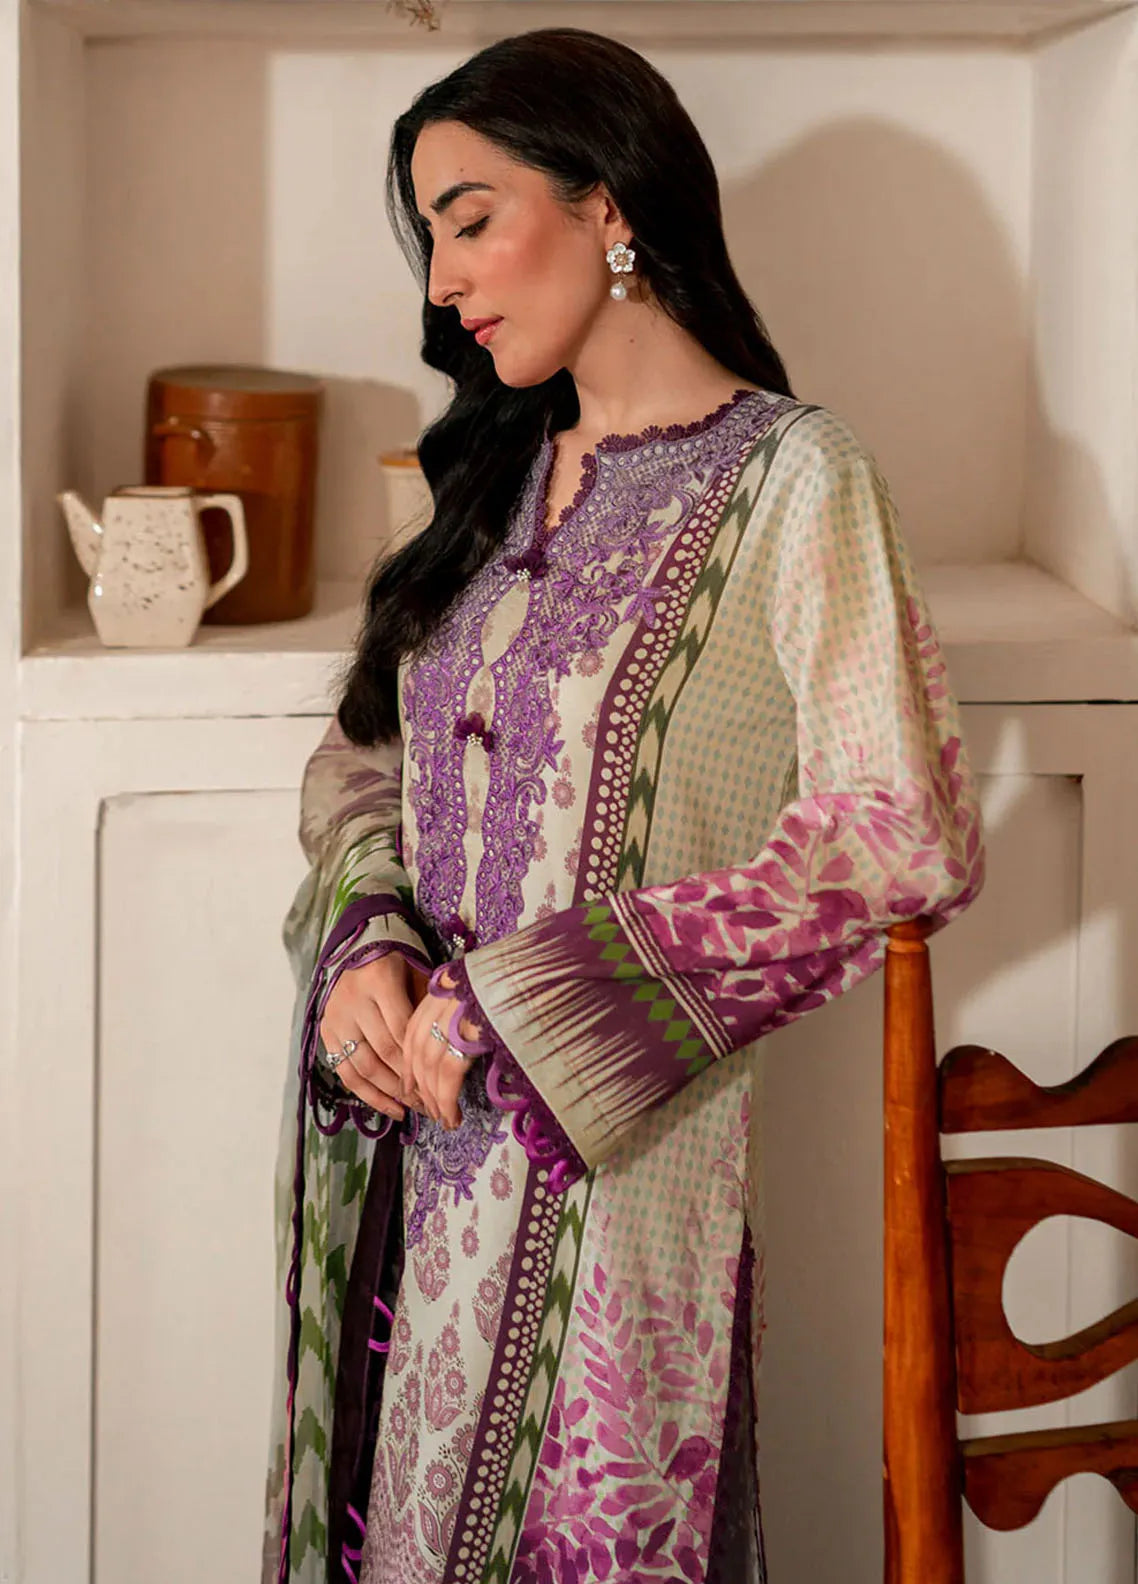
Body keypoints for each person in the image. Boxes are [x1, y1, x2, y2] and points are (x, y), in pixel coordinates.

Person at [262, 26, 985, 1584]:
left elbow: (897, 829)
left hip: (620, 1191)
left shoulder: (792, 479)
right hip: (409, 1163)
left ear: (608, 203)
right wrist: (368, 944)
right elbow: (365, 755)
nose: (444, 282)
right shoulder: (491, 477)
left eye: (471, 219)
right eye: (430, 239)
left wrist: (524, 1002)